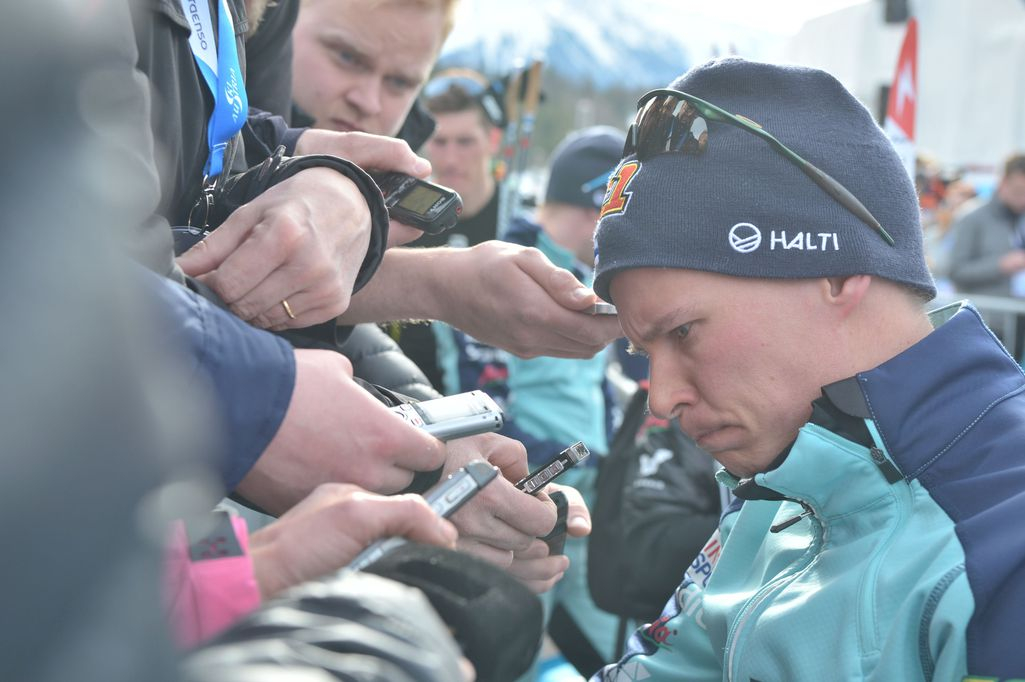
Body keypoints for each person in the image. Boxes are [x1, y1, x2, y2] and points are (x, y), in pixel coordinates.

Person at [589, 58, 1025, 681]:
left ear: (840, 272)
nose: (661, 399)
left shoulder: (1001, 557)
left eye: (684, 332)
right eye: (641, 350)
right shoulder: (788, 478)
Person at [948, 153, 1025, 359]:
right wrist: (1001, 265)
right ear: (1003, 183)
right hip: (985, 325)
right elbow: (956, 270)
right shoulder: (972, 217)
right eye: (1019, 191)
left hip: (1016, 326)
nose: (1023, 199)